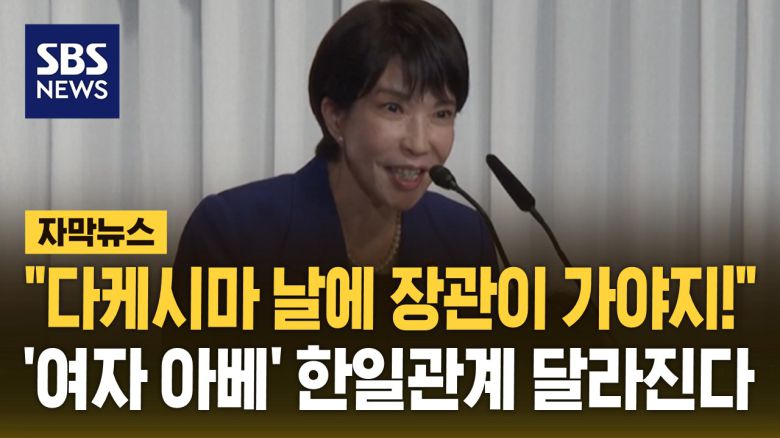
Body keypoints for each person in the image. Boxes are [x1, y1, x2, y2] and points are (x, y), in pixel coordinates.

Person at [173, 0, 497, 318]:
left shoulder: (466, 240)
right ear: (336, 118)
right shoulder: (232, 234)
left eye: (441, 113)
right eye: (393, 108)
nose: (419, 143)